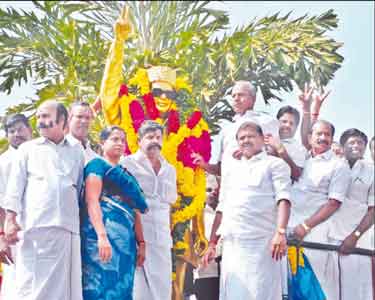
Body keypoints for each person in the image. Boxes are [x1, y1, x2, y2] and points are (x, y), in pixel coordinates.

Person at [3, 100, 85, 300]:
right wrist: (10, 220)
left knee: (64, 289)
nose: (40, 121)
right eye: (38, 116)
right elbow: (14, 188)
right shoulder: (28, 149)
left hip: (67, 230)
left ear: (62, 119)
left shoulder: (76, 150)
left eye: (46, 116)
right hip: (35, 229)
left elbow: (79, 187)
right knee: (30, 287)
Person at [202, 121, 291, 300]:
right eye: (241, 138)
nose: (246, 140)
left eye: (251, 136)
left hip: (262, 245)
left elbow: (284, 199)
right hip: (233, 246)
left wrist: (280, 233)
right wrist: (212, 244)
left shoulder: (275, 165)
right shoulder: (231, 170)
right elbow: (222, 208)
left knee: (260, 293)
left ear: (262, 139)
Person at [80, 126, 148, 300]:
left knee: (124, 289)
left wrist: (141, 243)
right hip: (101, 239)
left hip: (126, 243)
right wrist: (102, 236)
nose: (120, 143)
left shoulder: (127, 175)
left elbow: (135, 210)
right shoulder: (96, 165)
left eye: (123, 140)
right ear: (103, 143)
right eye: (115, 139)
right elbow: (92, 200)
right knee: (100, 287)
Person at [291, 120, 351, 300]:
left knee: (314, 286)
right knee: (291, 285)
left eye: (327, 135)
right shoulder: (304, 160)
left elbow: (334, 203)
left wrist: (305, 226)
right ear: (310, 138)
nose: (323, 138)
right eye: (319, 134)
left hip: (313, 233)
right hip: (289, 231)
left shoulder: (338, 165)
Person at [121, 121, 177, 300]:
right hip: (137, 238)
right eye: (150, 137)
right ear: (139, 141)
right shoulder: (127, 164)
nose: (155, 141)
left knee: (161, 291)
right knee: (138, 291)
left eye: (158, 137)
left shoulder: (169, 169)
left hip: (161, 239)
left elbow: (169, 205)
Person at [325, 128, 374, 300]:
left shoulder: (371, 171)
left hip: (357, 239)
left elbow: (373, 210)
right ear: (343, 146)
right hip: (328, 236)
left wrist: (355, 236)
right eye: (351, 142)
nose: (356, 146)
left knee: (356, 291)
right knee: (330, 289)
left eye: (360, 143)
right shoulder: (333, 165)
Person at [0, 114, 32, 299]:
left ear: (30, 129)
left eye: (20, 129)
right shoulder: (3, 163)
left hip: (44, 229)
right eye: (11, 131)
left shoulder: (43, 155)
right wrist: (1, 237)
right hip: (14, 232)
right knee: (16, 285)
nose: (17, 134)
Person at [193, 174, 220, 300]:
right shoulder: (196, 217)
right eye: (208, 189)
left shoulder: (229, 214)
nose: (213, 193)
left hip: (228, 274)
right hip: (205, 275)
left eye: (216, 190)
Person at [264, 105, 306, 181]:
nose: (287, 125)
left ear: (296, 127)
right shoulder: (264, 137)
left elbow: (296, 175)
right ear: (276, 122)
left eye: (291, 123)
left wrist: (281, 150)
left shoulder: (300, 148)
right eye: (284, 121)